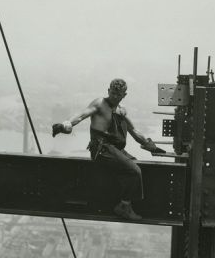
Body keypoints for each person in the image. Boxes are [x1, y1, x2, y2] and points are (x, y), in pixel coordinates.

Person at [52, 78, 164, 221]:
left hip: (114, 150)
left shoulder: (121, 111)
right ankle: (124, 206)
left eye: (119, 94)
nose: (115, 97)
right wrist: (65, 125)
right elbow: (81, 116)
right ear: (108, 91)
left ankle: (123, 199)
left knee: (138, 167)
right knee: (134, 171)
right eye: (113, 93)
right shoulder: (100, 104)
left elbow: (134, 132)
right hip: (102, 149)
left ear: (124, 95)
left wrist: (151, 146)